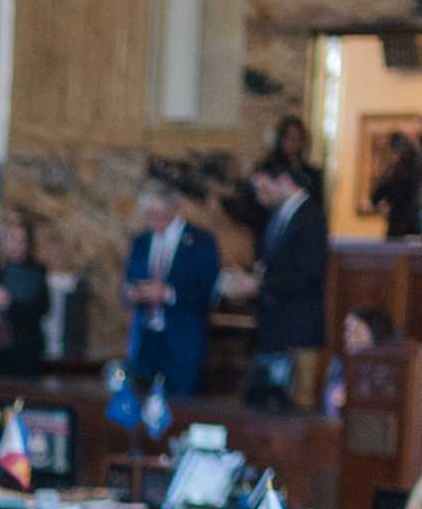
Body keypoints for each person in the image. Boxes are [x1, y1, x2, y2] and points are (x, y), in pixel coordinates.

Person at [223, 155, 329, 411]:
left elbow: (308, 274)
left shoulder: (310, 217)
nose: (259, 196)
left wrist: (259, 284)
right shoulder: (279, 216)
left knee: (297, 411)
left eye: (263, 187)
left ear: (283, 180)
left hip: (299, 333)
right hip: (276, 330)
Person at [123, 180, 219, 398]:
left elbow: (209, 292)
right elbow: (127, 284)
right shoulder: (140, 241)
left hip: (182, 345)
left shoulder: (201, 242)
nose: (150, 220)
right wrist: (133, 294)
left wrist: (167, 294)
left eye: (155, 214)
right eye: (146, 214)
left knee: (180, 408)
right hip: (144, 345)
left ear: (172, 209)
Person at [0, 218, 50, 379]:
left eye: (21, 241)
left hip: (25, 350)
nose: (16, 246)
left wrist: (9, 303)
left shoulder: (36, 271)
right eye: (12, 239)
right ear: (2, 241)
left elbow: (42, 308)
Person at [324, 308, 395, 416]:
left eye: (357, 332)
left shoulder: (392, 367)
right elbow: (331, 406)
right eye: (347, 330)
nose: (350, 337)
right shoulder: (339, 364)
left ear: (377, 334)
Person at [373, 133, 422, 240]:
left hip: (404, 226)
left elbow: (377, 196)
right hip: (407, 225)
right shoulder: (396, 172)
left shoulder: (399, 172)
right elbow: (377, 196)